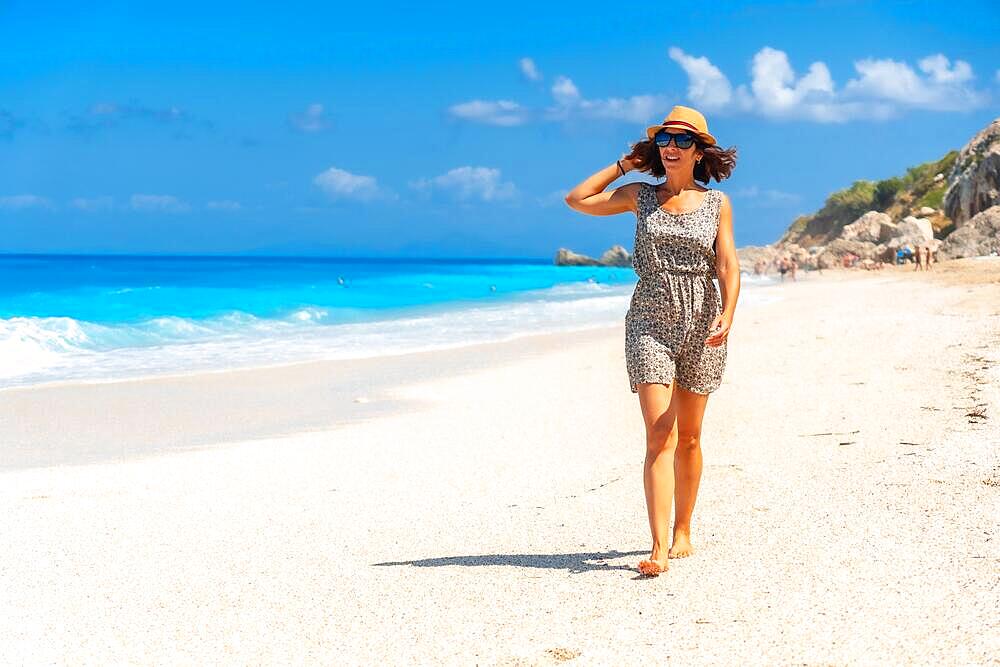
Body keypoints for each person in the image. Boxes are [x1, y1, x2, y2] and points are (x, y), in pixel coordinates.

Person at [564, 105, 740, 577]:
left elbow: (727, 264)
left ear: (699, 151)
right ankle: (659, 546)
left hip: (702, 321)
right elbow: (577, 199)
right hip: (649, 320)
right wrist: (625, 164)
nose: (671, 147)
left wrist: (728, 311)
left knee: (691, 436)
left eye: (683, 140)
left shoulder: (717, 205)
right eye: (664, 138)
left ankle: (684, 528)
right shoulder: (639, 196)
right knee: (660, 432)